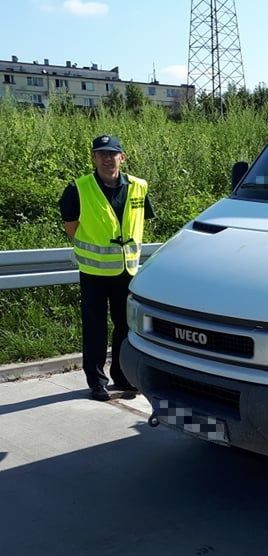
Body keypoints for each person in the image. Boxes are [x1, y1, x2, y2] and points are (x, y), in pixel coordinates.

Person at [59, 135, 154, 401]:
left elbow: (141, 220)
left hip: (127, 271)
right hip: (94, 273)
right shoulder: (78, 188)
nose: (107, 158)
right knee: (94, 327)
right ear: (93, 157)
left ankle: (122, 375)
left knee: (125, 326)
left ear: (122, 157)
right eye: (101, 153)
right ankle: (97, 381)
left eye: (112, 153)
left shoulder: (138, 187)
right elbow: (71, 226)